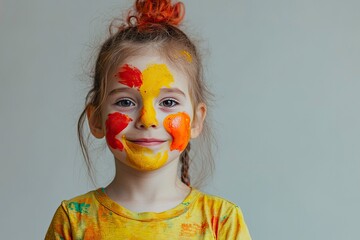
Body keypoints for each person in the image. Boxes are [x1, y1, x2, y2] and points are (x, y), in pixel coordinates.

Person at [45, 0, 251, 239]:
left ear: (196, 120)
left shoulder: (221, 222)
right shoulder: (73, 220)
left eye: (169, 103)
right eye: (126, 102)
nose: (147, 119)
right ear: (96, 120)